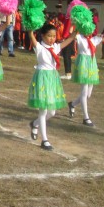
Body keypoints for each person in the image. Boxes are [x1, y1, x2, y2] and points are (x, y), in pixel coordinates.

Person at [27, 22, 76, 151]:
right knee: (43, 110)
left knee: (52, 112)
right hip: (42, 78)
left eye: (54, 36)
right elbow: (31, 36)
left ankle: (35, 124)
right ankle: (45, 140)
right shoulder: (39, 47)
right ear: (42, 36)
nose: (52, 38)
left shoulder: (56, 47)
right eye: (49, 35)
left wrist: (77, 28)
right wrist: (30, 29)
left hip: (53, 79)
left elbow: (70, 39)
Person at [68, 27, 104, 126]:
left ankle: (73, 104)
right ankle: (86, 117)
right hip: (83, 65)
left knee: (88, 94)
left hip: (92, 65)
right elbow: (71, 32)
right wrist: (75, 23)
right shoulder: (79, 37)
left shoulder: (94, 39)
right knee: (84, 92)